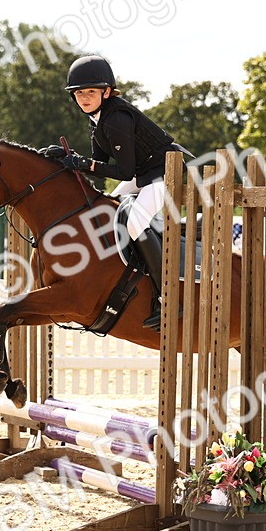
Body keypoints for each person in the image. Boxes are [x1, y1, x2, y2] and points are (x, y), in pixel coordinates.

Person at [45, 54, 188, 330]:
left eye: (90, 92)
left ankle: (168, 297)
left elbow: (122, 172)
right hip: (143, 173)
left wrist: (83, 162)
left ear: (107, 92)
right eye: (79, 93)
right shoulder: (97, 119)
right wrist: (68, 157)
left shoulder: (116, 119)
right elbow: (100, 164)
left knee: (134, 223)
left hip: (163, 172)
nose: (84, 98)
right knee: (110, 206)